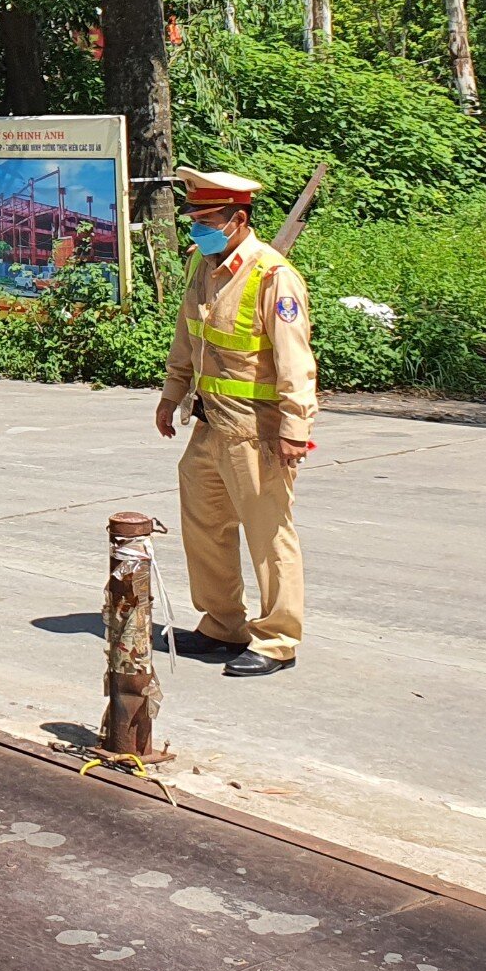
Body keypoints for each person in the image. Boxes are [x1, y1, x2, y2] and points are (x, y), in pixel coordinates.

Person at [153, 167, 317, 678]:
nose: (197, 229)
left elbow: (295, 361)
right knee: (204, 526)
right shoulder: (202, 266)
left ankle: (277, 640)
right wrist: (172, 393)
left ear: (237, 220)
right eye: (194, 219)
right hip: (209, 424)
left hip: (257, 432)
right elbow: (188, 336)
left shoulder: (272, 276)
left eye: (207, 220)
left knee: (269, 535)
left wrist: (295, 428)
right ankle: (222, 624)